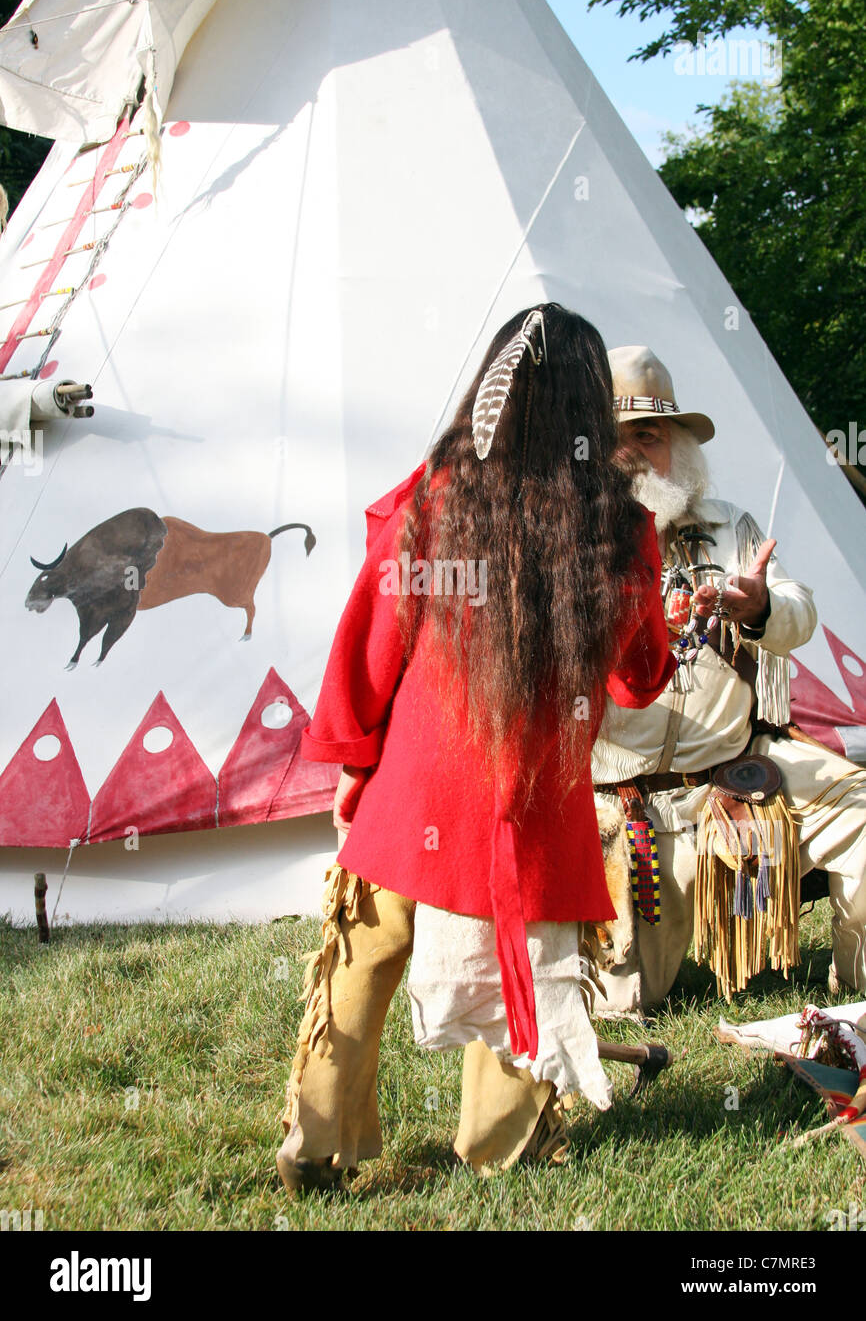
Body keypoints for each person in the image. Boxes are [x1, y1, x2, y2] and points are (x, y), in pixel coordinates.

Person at [275, 305, 675, 1192]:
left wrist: (354, 760)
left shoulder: (437, 497)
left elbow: (370, 646)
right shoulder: (622, 530)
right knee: (520, 963)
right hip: (532, 804)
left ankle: (318, 1143)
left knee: (365, 960)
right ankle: (503, 1148)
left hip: (417, 786)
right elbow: (636, 681)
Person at [592, 345, 866, 1013]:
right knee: (623, 1001)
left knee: (862, 811)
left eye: (648, 436)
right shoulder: (566, 542)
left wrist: (762, 606)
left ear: (680, 444)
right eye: (614, 438)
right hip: (621, 809)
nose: (631, 453)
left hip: (738, 774)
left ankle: (858, 990)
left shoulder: (730, 528)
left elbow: (799, 615)